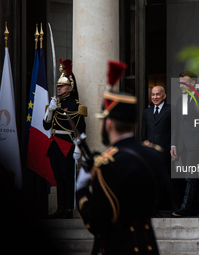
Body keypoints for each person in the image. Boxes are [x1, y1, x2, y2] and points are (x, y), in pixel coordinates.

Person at [76, 89, 164, 255]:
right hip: (147, 246)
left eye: (102, 120)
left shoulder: (107, 164)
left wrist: (81, 187)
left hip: (120, 247)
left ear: (109, 123)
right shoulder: (154, 154)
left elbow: (95, 222)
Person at [43, 58, 86, 219]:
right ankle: (60, 208)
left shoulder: (75, 105)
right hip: (54, 144)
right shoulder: (55, 104)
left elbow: (81, 129)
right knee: (58, 177)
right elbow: (46, 126)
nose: (59, 89)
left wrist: (78, 147)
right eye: (58, 87)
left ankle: (68, 209)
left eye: (62, 86)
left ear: (70, 88)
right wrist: (50, 111)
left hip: (68, 144)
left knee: (68, 178)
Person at [170, 71, 199, 217]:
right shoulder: (179, 100)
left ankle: (184, 208)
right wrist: (173, 145)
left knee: (190, 176)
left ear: (193, 83)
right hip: (183, 144)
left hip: (198, 143)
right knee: (192, 176)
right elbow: (177, 125)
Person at [141, 86, 177, 214]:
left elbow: (175, 131)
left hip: (166, 151)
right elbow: (143, 134)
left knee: (168, 182)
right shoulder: (146, 112)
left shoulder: (171, 109)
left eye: (158, 94)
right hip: (150, 153)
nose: (155, 97)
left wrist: (174, 147)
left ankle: (175, 208)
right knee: (152, 182)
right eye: (153, 95)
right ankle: (153, 210)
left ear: (164, 96)